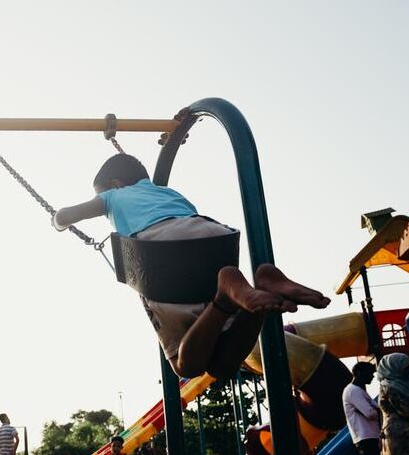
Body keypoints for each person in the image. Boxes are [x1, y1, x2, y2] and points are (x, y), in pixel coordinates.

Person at [54, 154, 328, 378]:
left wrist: (58, 221)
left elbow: (68, 215)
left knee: (186, 366)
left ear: (114, 184)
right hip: (214, 240)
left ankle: (225, 293)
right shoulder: (168, 192)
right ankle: (262, 286)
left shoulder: (113, 196)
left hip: (163, 254)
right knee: (221, 366)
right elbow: (185, 225)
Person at [341, 362, 386, 455]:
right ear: (359, 373)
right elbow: (370, 413)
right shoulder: (353, 391)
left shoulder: (360, 391)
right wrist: (378, 409)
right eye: (369, 373)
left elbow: (375, 409)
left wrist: (377, 409)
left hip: (370, 434)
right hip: (364, 435)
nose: (372, 377)